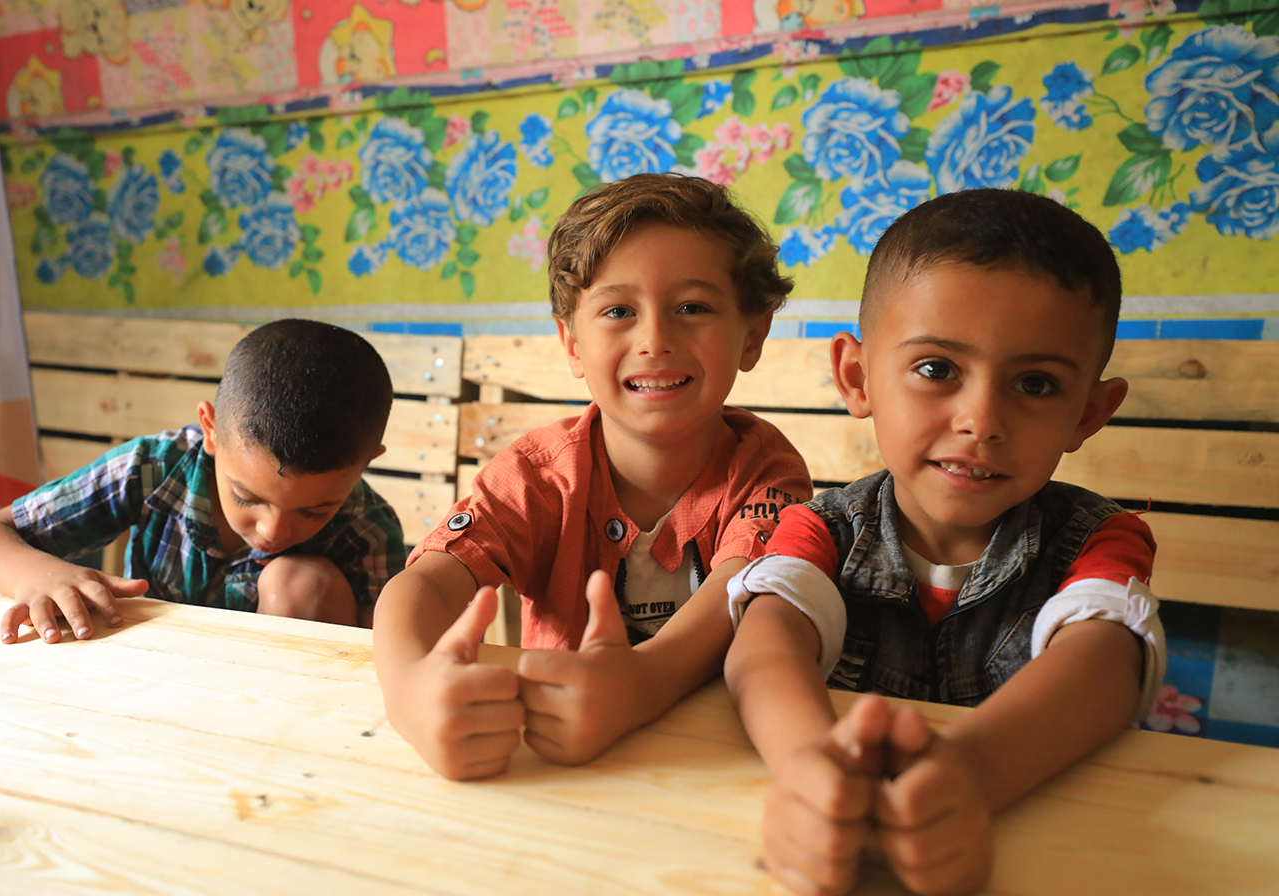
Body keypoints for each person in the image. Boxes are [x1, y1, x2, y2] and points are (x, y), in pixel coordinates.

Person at [723, 189, 1166, 896]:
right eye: (937, 369)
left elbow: (1106, 662)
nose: (980, 420)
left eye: (1034, 384)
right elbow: (765, 645)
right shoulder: (821, 526)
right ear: (857, 378)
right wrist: (812, 768)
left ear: (1088, 413)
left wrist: (968, 775)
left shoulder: (1101, 539)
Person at [374, 173, 813, 780]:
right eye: (618, 311)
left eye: (692, 307)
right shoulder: (536, 475)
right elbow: (422, 584)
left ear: (753, 335)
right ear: (573, 343)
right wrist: (407, 694)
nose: (654, 339)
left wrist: (639, 685)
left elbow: (738, 591)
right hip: (560, 773)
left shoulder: (767, 470)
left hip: (716, 764)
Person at [0, 319, 406, 643]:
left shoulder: (368, 530)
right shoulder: (153, 467)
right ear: (210, 430)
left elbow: (382, 661)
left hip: (282, 703)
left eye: (315, 511)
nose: (273, 531)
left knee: (300, 583)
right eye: (247, 496)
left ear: (366, 463)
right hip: (149, 680)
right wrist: (40, 575)